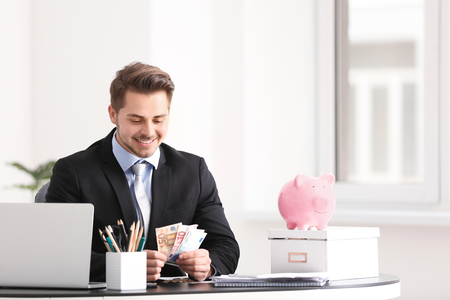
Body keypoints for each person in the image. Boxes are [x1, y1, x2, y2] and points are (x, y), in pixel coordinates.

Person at [46, 62, 240, 282]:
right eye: (136, 120)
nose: (148, 132)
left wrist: (208, 265)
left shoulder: (193, 170)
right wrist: (127, 267)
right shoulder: (74, 172)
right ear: (113, 114)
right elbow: (60, 256)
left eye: (158, 120)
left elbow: (226, 246)